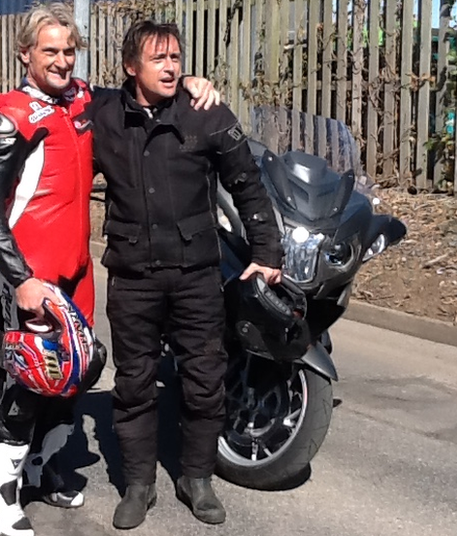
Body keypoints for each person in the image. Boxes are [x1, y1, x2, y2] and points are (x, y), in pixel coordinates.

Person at [0, 5, 221, 536]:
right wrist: (22, 279)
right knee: (32, 381)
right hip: (32, 273)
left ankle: (43, 467)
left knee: (73, 377)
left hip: (76, 271)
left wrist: (189, 79)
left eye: (67, 50)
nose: (60, 60)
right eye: (48, 50)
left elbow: (139, 90)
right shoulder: (12, 116)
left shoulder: (82, 101)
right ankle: (3, 494)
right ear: (24, 53)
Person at [89, 20, 284, 529]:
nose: (172, 67)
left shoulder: (207, 111)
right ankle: (138, 484)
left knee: (204, 379)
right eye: (159, 59)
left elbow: (248, 184)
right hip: (133, 276)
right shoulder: (103, 114)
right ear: (131, 67)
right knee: (134, 383)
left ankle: (196, 479)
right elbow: (48, 106)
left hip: (198, 272)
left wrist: (267, 251)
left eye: (177, 57)